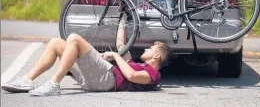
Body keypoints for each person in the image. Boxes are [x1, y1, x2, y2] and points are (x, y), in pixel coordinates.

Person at [1, 15, 173, 96]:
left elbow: (131, 75)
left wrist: (114, 55)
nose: (145, 50)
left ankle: (54, 84)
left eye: (150, 49)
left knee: (74, 39)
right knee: (56, 43)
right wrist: (124, 17)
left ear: (156, 56)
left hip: (107, 79)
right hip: (98, 79)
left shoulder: (152, 75)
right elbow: (122, 45)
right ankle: (27, 80)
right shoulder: (139, 65)